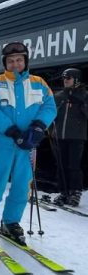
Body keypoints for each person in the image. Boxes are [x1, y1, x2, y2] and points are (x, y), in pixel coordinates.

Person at [0, 41, 56, 247]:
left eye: (19, 60)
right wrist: (12, 131)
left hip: (28, 144)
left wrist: (38, 127)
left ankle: (11, 222)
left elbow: (50, 107)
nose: (15, 64)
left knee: (23, 186)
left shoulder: (39, 83)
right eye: (11, 61)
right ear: (5, 63)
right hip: (3, 142)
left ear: (25, 61)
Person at [52, 67, 87, 207]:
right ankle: (64, 192)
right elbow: (50, 113)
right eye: (64, 78)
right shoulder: (59, 95)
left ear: (76, 79)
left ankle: (75, 192)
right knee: (61, 165)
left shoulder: (85, 95)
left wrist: (81, 103)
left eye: (68, 78)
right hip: (59, 136)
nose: (65, 81)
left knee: (74, 165)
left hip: (76, 136)